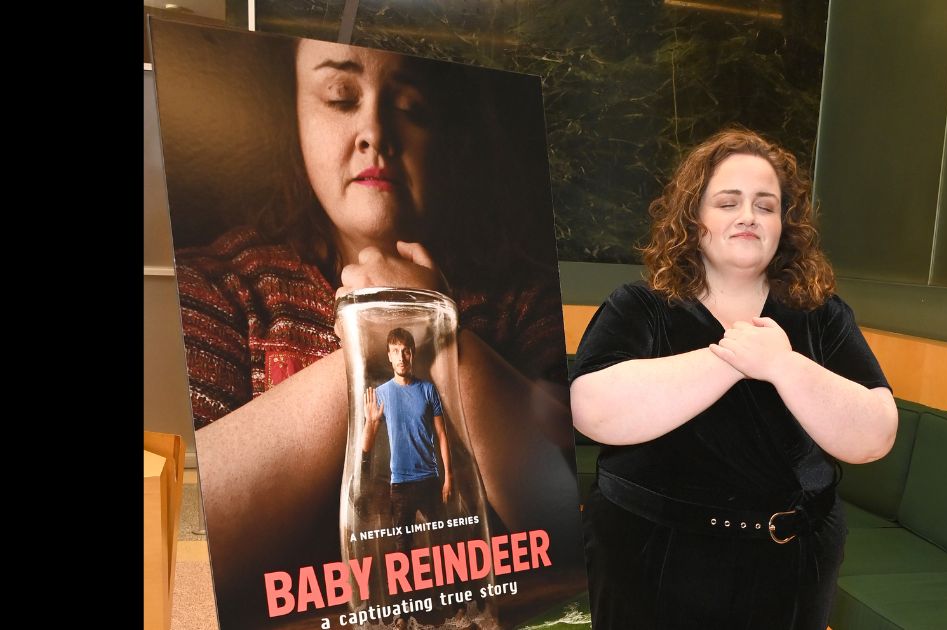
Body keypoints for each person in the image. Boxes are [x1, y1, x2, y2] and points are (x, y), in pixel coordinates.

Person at [169, 33, 584, 625]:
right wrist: (384, 324)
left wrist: (437, 329)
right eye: (340, 96)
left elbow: (568, 527)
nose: (375, 133)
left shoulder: (523, 301)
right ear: (294, 116)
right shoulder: (222, 289)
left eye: (410, 107)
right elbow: (188, 555)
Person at [570, 126, 899, 629]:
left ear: (784, 225)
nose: (749, 216)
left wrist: (782, 364)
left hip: (789, 565)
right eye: (728, 202)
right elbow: (592, 412)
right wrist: (733, 355)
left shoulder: (821, 314)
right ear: (694, 218)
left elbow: (874, 435)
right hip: (649, 557)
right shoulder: (639, 306)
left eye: (766, 206)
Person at [362, 327, 452, 542]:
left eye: (405, 351)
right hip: (400, 484)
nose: (401, 357)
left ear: (412, 353)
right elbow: (366, 447)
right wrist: (370, 421)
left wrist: (448, 477)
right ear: (389, 356)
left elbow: (441, 434)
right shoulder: (381, 393)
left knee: (442, 544)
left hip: (430, 480)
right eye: (395, 351)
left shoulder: (428, 389)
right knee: (402, 548)